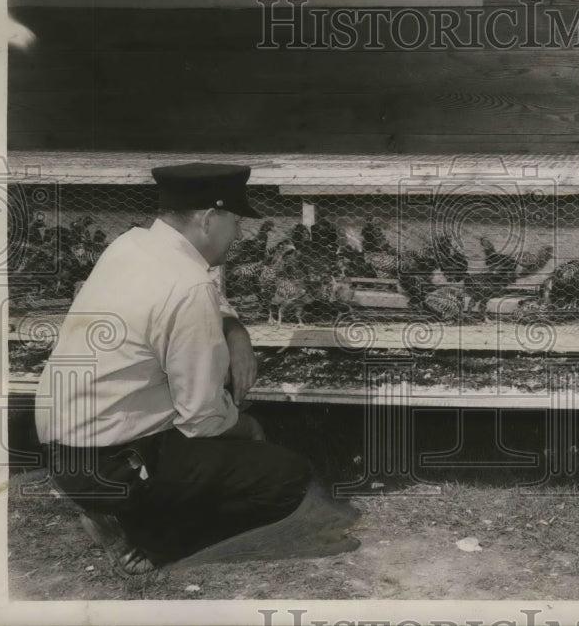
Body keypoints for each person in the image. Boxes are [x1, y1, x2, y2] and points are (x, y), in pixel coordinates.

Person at [34, 163, 349, 576]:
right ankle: (151, 539)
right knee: (287, 477)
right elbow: (200, 419)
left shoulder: (131, 245)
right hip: (113, 465)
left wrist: (234, 330)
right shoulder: (188, 285)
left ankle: (123, 507)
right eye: (236, 221)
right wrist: (248, 429)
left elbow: (203, 292)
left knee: (221, 436)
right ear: (209, 219)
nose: (239, 234)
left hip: (65, 453)